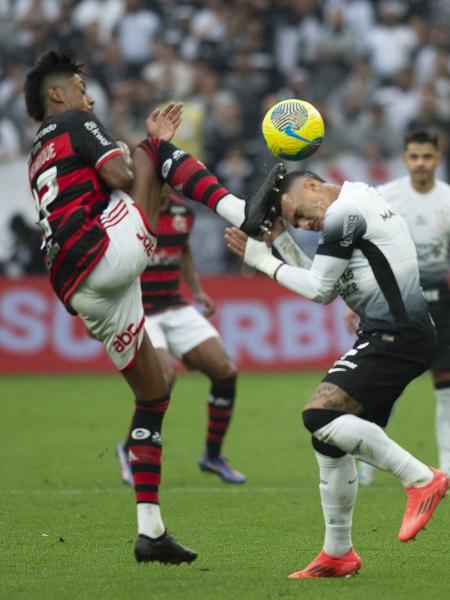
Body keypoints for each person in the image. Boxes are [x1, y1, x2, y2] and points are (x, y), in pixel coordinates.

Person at [23, 50, 265, 565]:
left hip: (82, 291)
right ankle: (244, 212)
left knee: (153, 396)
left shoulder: (36, 154)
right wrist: (149, 154)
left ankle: (150, 532)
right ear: (58, 94)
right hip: (103, 256)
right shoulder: (75, 120)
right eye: (82, 89)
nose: (90, 98)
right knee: (153, 148)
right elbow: (119, 172)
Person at [224, 166, 449, 579]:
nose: (307, 225)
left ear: (311, 185)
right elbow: (325, 280)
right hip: (398, 334)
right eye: (298, 225)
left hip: (394, 336)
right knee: (330, 442)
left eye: (301, 216)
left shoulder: (346, 212)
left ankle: (421, 478)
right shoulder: (357, 198)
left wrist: (260, 258)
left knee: (319, 416)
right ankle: (337, 553)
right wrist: (282, 242)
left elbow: (319, 290)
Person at [116, 186, 245, 486]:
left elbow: (183, 249)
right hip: (140, 311)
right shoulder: (125, 211)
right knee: (162, 380)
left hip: (174, 305)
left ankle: (212, 456)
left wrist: (197, 290)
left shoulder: (181, 212)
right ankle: (129, 448)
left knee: (225, 371)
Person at [344, 129, 450, 484]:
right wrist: (354, 299)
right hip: (393, 300)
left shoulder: (447, 200)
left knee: (446, 385)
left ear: (438, 157)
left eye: (428, 157)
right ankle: (369, 464)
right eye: (415, 157)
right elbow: (361, 247)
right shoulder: (388, 198)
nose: (421, 164)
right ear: (405, 159)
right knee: (383, 384)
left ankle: (447, 466)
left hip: (441, 302)